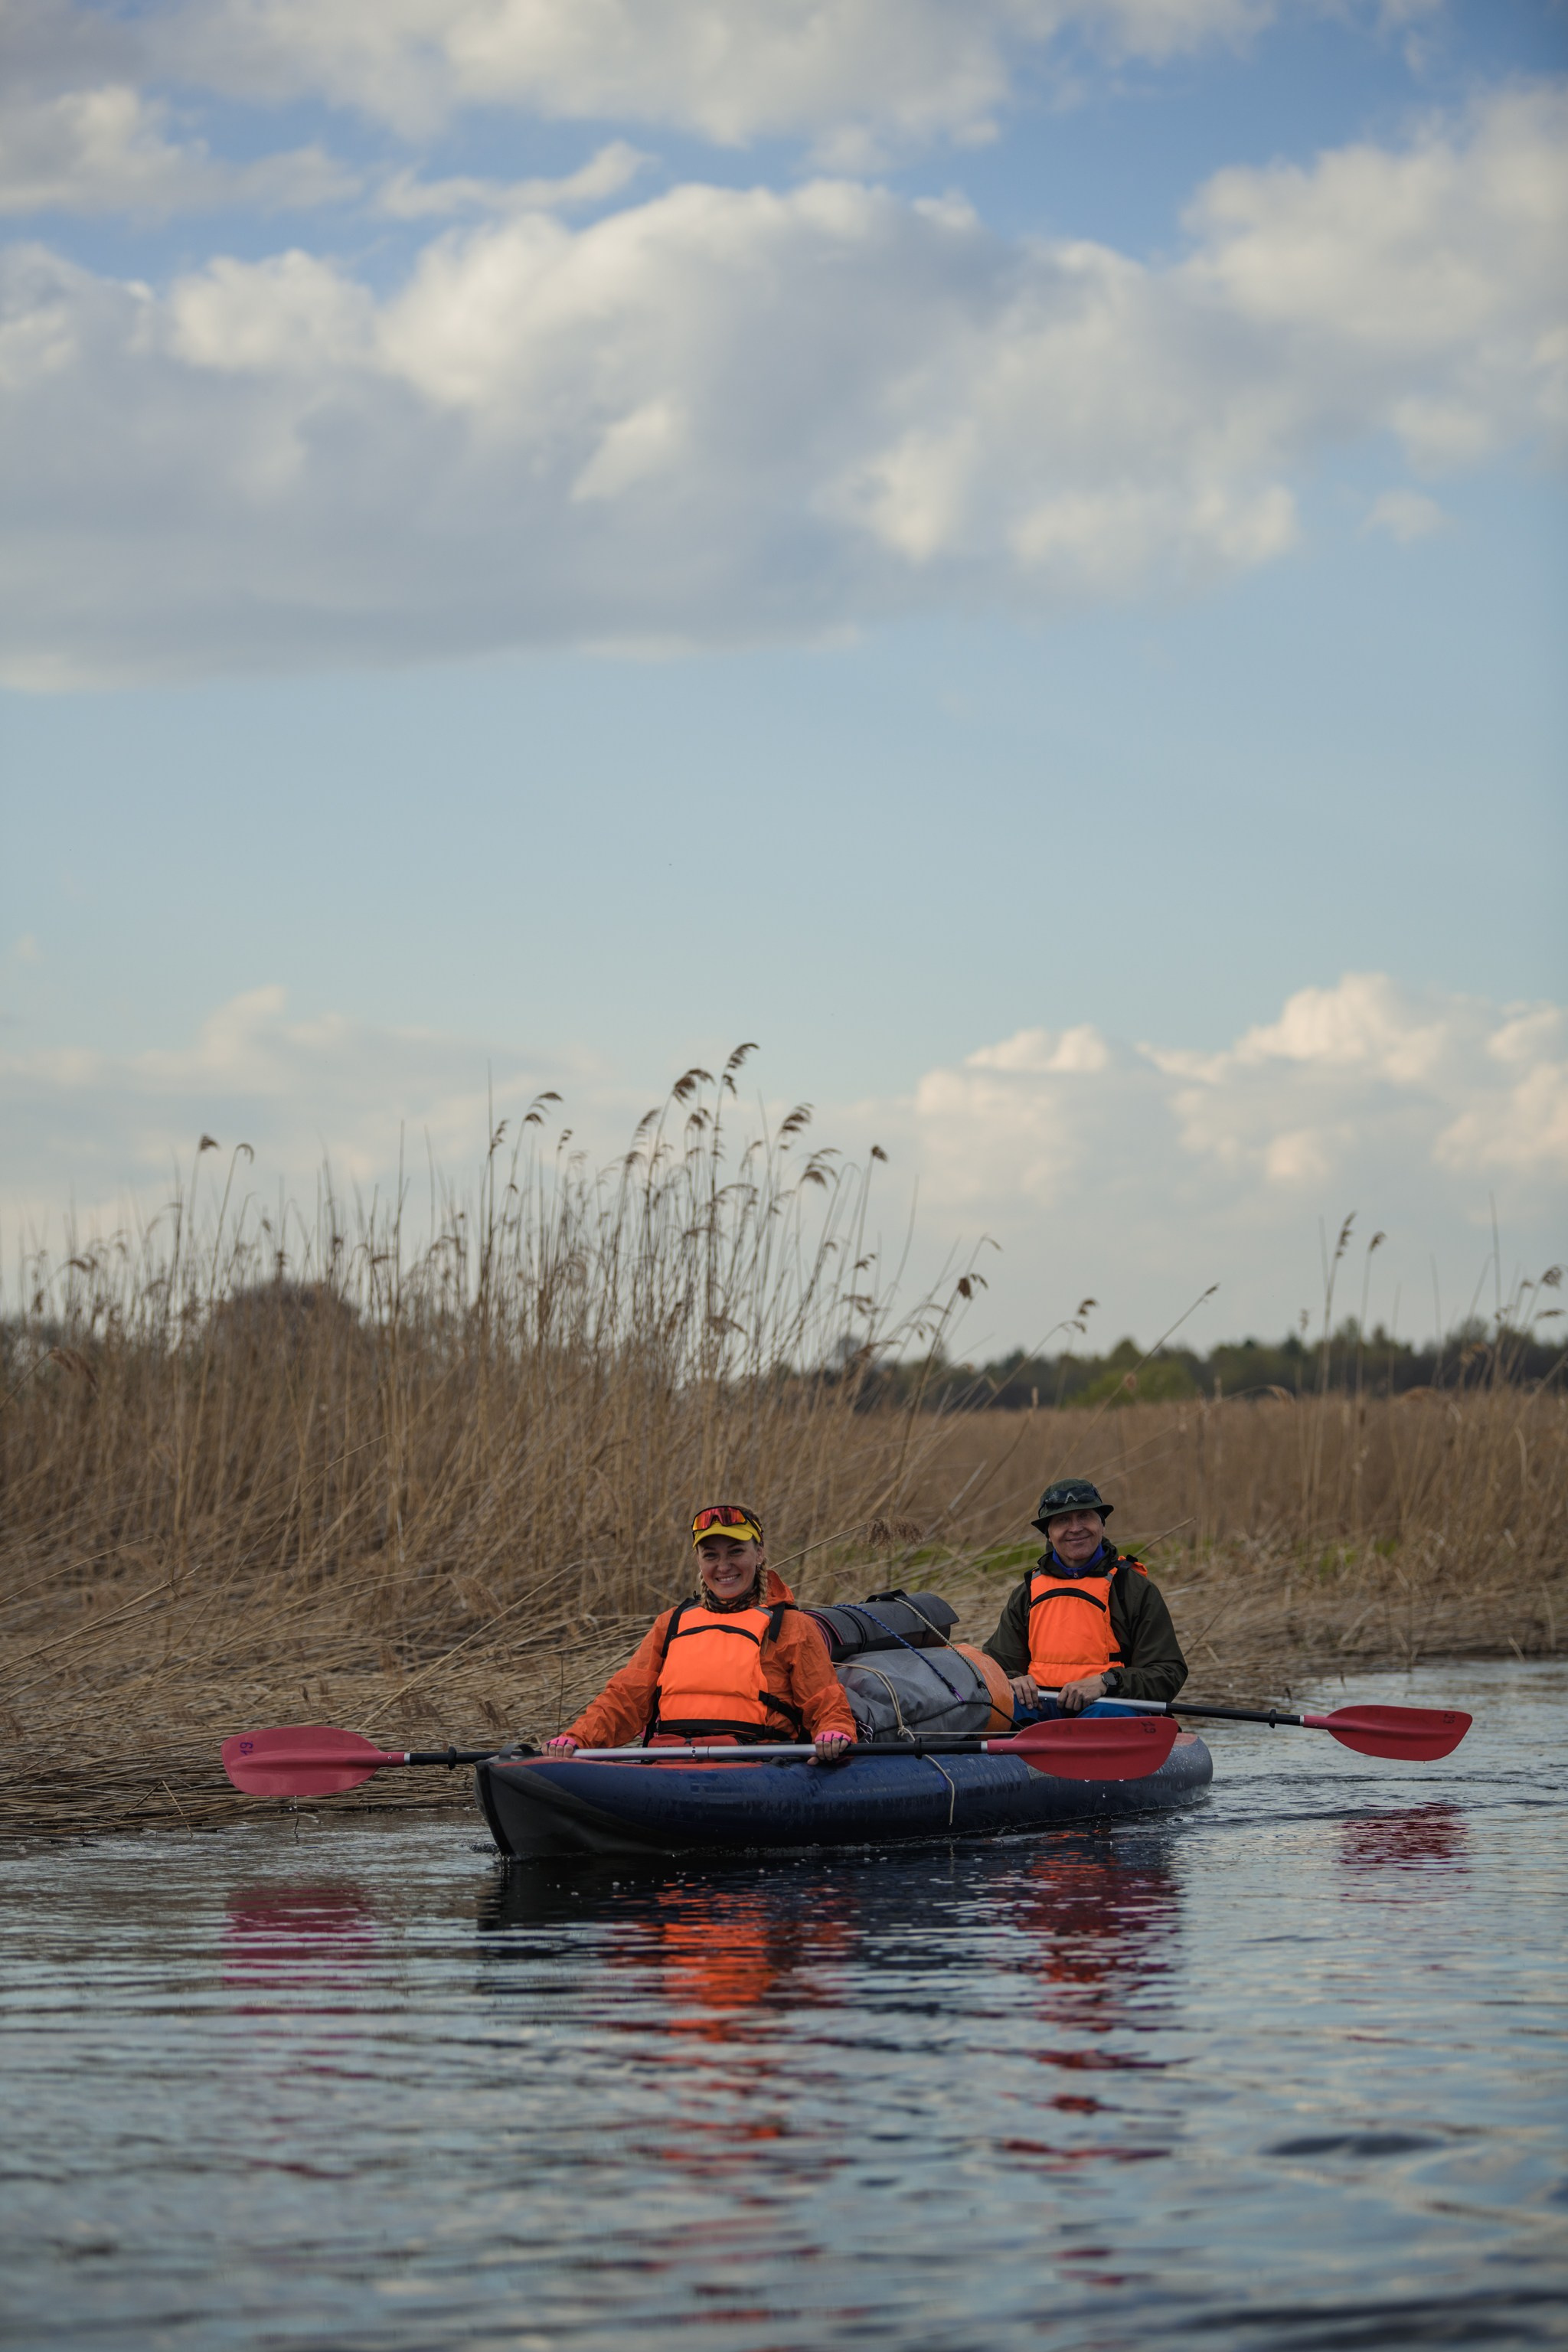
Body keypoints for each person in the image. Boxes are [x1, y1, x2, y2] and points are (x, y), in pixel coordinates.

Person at [545, 1504, 857, 1761]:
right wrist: (577, 1738)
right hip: (670, 1761)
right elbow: (626, 1698)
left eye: (736, 1552)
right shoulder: (672, 1623)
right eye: (711, 1555)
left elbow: (823, 1699)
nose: (724, 1566)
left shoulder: (792, 1626)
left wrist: (834, 1732)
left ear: (759, 1554)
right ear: (698, 1560)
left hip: (758, 1766)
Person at [983, 1478, 1187, 1716]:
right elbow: (993, 1666)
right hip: (1041, 1708)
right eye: (1062, 1521)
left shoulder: (1134, 1590)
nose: (1075, 1528)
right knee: (1000, 1710)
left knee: (1105, 1714)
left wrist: (1106, 1683)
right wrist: (1011, 1680)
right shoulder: (1027, 1593)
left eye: (1085, 1517)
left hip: (1108, 1707)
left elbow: (1168, 1673)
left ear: (1102, 1525)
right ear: (1048, 1534)